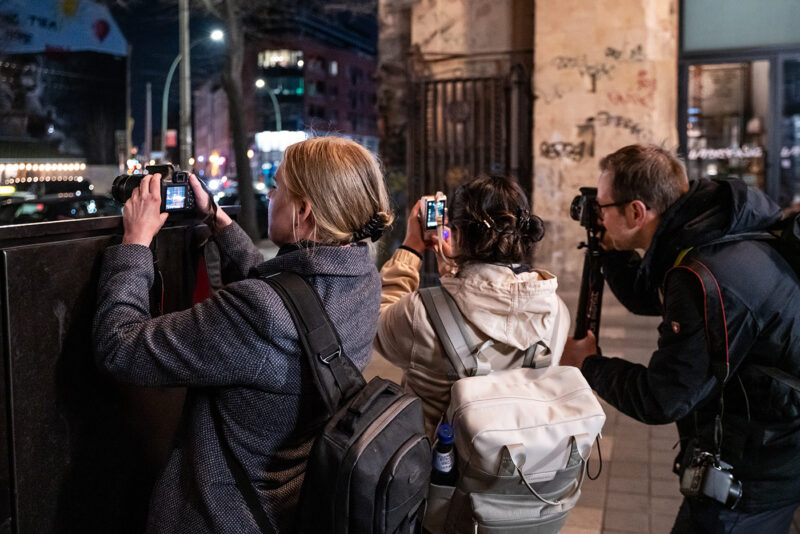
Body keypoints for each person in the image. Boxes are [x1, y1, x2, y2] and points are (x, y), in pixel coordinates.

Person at [93, 136, 393, 533]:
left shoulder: (259, 312)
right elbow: (295, 303)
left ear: (303, 211)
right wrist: (216, 218)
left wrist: (135, 245)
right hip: (287, 504)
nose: (269, 195)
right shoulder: (362, 279)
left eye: (277, 187)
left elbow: (119, 347)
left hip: (218, 515)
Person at [561, 144, 800, 533]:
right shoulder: (713, 228)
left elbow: (664, 397)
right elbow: (649, 296)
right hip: (777, 443)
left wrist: (588, 365)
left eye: (603, 207)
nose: (598, 217)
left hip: (753, 472)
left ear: (636, 212)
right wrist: (613, 253)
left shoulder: (701, 274)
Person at [374, 174, 570, 437]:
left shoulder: (420, 314)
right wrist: (455, 273)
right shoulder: (554, 310)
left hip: (439, 458)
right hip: (524, 455)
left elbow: (377, 325)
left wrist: (410, 249)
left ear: (457, 234)